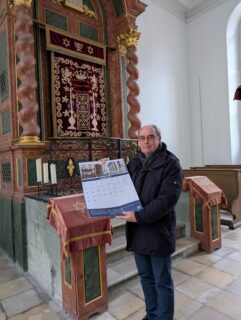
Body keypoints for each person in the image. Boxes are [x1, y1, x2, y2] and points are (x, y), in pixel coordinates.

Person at [116, 124, 183, 320]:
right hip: (138, 233)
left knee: (162, 281)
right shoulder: (136, 162)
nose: (146, 141)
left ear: (159, 138)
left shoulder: (171, 163)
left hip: (158, 232)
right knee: (146, 279)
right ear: (138, 142)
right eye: (142, 138)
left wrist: (138, 216)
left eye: (150, 137)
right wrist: (105, 169)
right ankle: (152, 314)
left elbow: (166, 200)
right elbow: (120, 183)